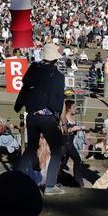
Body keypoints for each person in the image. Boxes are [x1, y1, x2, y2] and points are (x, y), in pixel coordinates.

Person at [14, 43, 66, 192]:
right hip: (47, 117)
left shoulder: (33, 70)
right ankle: (50, 186)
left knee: (31, 149)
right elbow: (57, 98)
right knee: (56, 150)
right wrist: (56, 114)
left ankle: (16, 178)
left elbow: (24, 88)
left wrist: (19, 105)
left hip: (31, 115)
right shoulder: (57, 75)